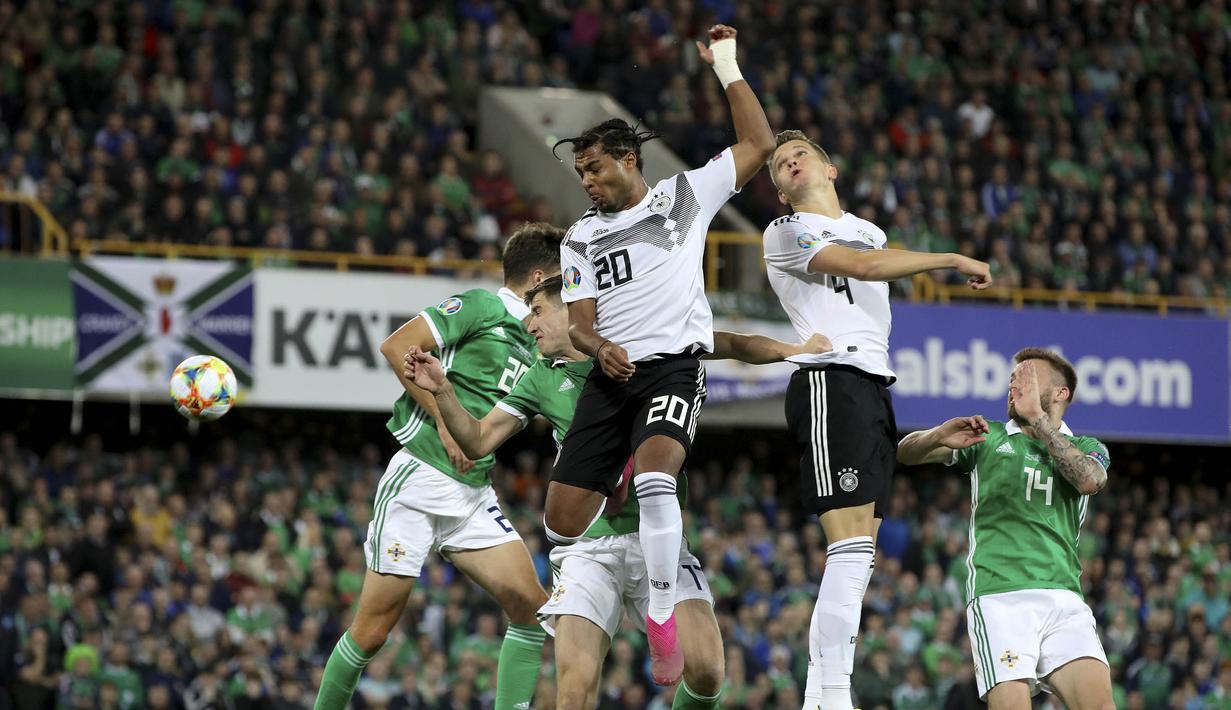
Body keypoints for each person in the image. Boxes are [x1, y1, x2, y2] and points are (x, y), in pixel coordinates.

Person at [403, 274, 832, 709]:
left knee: (706, 672)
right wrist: (443, 390)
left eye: (537, 312)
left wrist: (790, 351)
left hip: (656, 543)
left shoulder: (638, 345)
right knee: (574, 692)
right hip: (586, 551)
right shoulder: (540, 377)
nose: (529, 325)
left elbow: (729, 343)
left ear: (571, 310)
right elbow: (477, 440)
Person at [546, 24, 775, 685]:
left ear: (628, 159)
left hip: (672, 366)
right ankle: (622, 474)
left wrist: (726, 63)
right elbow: (581, 325)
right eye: (580, 172)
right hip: (612, 376)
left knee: (655, 480)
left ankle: (663, 614)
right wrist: (599, 347)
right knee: (560, 523)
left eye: (594, 167)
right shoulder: (579, 238)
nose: (585, 181)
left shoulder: (684, 195)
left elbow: (757, 143)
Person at [760, 129, 993, 710]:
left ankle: (826, 691)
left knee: (861, 548)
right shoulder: (784, 231)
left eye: (800, 155)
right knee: (849, 545)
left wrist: (932, 439)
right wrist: (951, 258)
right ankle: (829, 694)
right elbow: (862, 269)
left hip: (870, 382)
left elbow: (870, 256)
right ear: (782, 194)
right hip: (827, 378)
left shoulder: (870, 230)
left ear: (830, 168)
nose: (790, 164)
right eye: (780, 165)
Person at [313, 223, 564, 710]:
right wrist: (447, 425)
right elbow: (395, 346)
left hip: (472, 492)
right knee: (372, 632)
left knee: (533, 609)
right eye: (560, 275)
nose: (567, 286)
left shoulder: (543, 334)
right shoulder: (480, 307)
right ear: (538, 276)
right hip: (421, 479)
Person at [896, 348, 1113, 710]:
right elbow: (905, 452)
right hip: (1001, 597)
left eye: (1026, 378)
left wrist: (1040, 422)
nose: (1014, 384)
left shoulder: (1086, 447)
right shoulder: (989, 438)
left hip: (1064, 598)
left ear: (1060, 394)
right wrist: (937, 435)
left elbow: (1089, 481)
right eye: (1013, 378)